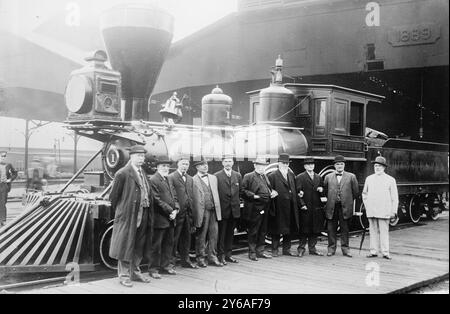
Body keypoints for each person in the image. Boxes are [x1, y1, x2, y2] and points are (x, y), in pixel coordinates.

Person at [109, 145, 152, 287]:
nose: (142, 158)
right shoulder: (122, 173)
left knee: (139, 245)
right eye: (138, 156)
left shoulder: (143, 172)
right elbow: (114, 197)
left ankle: (135, 271)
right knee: (126, 245)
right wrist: (123, 212)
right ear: (131, 157)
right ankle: (124, 275)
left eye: (143, 156)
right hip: (129, 215)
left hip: (143, 213)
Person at [362, 156, 399, 260]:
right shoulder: (369, 179)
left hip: (384, 210)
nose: (377, 168)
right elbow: (364, 194)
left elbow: (394, 197)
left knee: (384, 232)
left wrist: (394, 211)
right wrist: (367, 205)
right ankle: (373, 251)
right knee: (372, 231)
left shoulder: (390, 180)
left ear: (384, 167)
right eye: (375, 166)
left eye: (379, 166)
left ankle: (385, 252)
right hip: (372, 210)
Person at [242, 156, 278, 261]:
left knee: (263, 230)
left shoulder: (264, 176)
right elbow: (243, 191)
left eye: (263, 166)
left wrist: (273, 192)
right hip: (255, 208)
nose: (262, 168)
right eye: (260, 165)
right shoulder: (248, 176)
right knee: (254, 231)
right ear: (255, 165)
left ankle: (260, 251)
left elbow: (268, 188)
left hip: (265, 207)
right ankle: (252, 252)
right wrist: (254, 196)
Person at [149, 158, 180, 278]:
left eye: (167, 166)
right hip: (160, 218)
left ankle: (165, 266)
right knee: (156, 245)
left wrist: (176, 209)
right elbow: (156, 200)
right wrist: (170, 211)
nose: (166, 168)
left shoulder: (168, 179)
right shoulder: (153, 180)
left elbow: (175, 196)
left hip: (171, 218)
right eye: (163, 165)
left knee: (168, 243)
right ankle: (153, 269)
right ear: (157, 167)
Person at [324, 155, 359, 257]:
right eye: (338, 164)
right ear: (334, 166)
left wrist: (347, 201)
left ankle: (345, 249)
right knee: (331, 229)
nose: (339, 166)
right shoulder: (328, 177)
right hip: (332, 207)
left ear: (344, 165)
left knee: (345, 229)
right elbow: (326, 191)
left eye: (341, 164)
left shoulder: (351, 176)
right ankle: (331, 249)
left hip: (345, 207)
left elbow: (355, 192)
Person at [169, 157, 199, 269]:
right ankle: (171, 263)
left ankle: (185, 261)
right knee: (174, 239)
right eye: (182, 164)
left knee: (186, 238)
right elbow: (172, 195)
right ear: (177, 164)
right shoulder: (171, 177)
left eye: (186, 164)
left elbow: (191, 195)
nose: (185, 166)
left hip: (188, 213)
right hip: (178, 213)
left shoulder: (190, 178)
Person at [192, 159, 223, 267]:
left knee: (214, 234)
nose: (205, 167)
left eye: (206, 164)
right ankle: (200, 258)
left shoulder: (213, 178)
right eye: (202, 165)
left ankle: (212, 257)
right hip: (202, 211)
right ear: (197, 167)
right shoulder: (193, 180)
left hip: (214, 210)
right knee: (201, 235)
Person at [268, 154, 299, 257]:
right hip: (279, 206)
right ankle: (274, 250)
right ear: (279, 164)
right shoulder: (272, 175)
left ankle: (287, 250)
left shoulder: (291, 175)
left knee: (288, 228)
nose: (285, 165)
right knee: (276, 229)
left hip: (290, 206)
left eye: (287, 163)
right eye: (283, 163)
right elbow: (269, 190)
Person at [215, 155, 243, 265]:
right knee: (221, 234)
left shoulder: (238, 175)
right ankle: (221, 256)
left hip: (234, 210)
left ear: (233, 163)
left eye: (229, 161)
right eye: (225, 161)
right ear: (222, 163)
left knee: (230, 234)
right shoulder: (217, 176)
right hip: (222, 210)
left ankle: (228, 255)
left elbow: (240, 191)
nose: (227, 163)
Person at [296, 157, 325, 256]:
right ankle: (301, 249)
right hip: (306, 208)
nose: (311, 166)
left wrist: (322, 190)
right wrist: (302, 204)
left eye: (312, 164)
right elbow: (297, 193)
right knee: (304, 229)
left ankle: (312, 249)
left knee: (314, 229)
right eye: (308, 164)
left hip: (316, 208)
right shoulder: (300, 177)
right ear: (304, 166)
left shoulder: (318, 177)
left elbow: (323, 192)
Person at [0, 151, 17, 227]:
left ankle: (3, 220)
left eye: (4, 156)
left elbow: (15, 173)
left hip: (4, 186)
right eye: (2, 156)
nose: (3, 158)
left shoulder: (9, 165)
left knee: (3, 202)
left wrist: (10, 180)